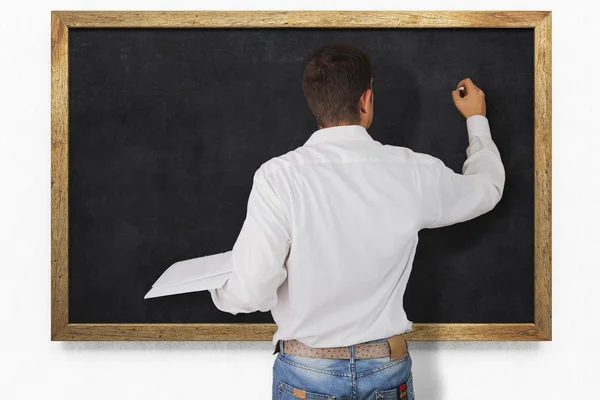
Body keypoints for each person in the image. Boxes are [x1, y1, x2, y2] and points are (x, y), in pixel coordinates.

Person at [208, 44, 505, 399]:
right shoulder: (411, 171)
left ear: (314, 104)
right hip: (385, 369)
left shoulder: (278, 177)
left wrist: (223, 288)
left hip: (306, 374)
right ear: (365, 100)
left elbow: (251, 291)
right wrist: (476, 119)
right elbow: (487, 189)